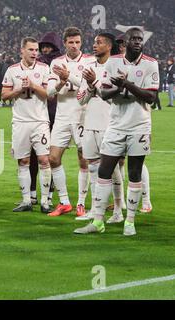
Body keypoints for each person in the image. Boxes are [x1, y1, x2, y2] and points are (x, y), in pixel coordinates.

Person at [74, 27, 159, 236]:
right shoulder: (113, 62)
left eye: (141, 39)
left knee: (134, 172)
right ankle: (98, 221)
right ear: (125, 43)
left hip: (140, 125)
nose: (138, 42)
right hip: (116, 125)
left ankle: (129, 222)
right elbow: (104, 93)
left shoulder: (150, 64)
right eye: (134, 39)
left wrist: (125, 85)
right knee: (104, 170)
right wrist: (123, 88)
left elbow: (150, 97)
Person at [46, 27, 96, 217]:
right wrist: (60, 83)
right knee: (53, 158)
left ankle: (81, 203)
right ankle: (64, 202)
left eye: (77, 42)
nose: (74, 46)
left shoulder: (90, 61)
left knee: (84, 160)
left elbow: (89, 86)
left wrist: (69, 78)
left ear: (81, 42)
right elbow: (50, 92)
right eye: (71, 42)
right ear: (64, 43)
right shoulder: (56, 62)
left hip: (83, 115)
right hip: (62, 116)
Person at [75, 33, 124, 223]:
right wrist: (89, 86)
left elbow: (115, 98)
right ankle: (96, 209)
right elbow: (80, 100)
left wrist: (94, 82)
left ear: (109, 46)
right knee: (93, 168)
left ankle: (118, 211)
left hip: (110, 124)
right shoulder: (88, 68)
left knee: (112, 169)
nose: (94, 45)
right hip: (90, 124)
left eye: (99, 42)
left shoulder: (116, 67)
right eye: (94, 42)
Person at [1, 37, 52, 213]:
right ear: (22, 50)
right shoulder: (12, 70)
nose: (34, 53)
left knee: (44, 160)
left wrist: (33, 86)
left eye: (36, 50)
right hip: (20, 122)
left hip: (40, 121)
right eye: (31, 50)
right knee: (23, 161)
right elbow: (4, 95)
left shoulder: (44, 68)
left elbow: (48, 94)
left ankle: (45, 201)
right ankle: (26, 201)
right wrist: (19, 90)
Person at [28, 32, 64, 207]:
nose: (46, 50)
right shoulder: (38, 64)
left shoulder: (59, 63)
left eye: (49, 47)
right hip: (37, 114)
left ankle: (48, 194)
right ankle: (32, 192)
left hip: (54, 114)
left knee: (48, 157)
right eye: (44, 47)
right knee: (33, 156)